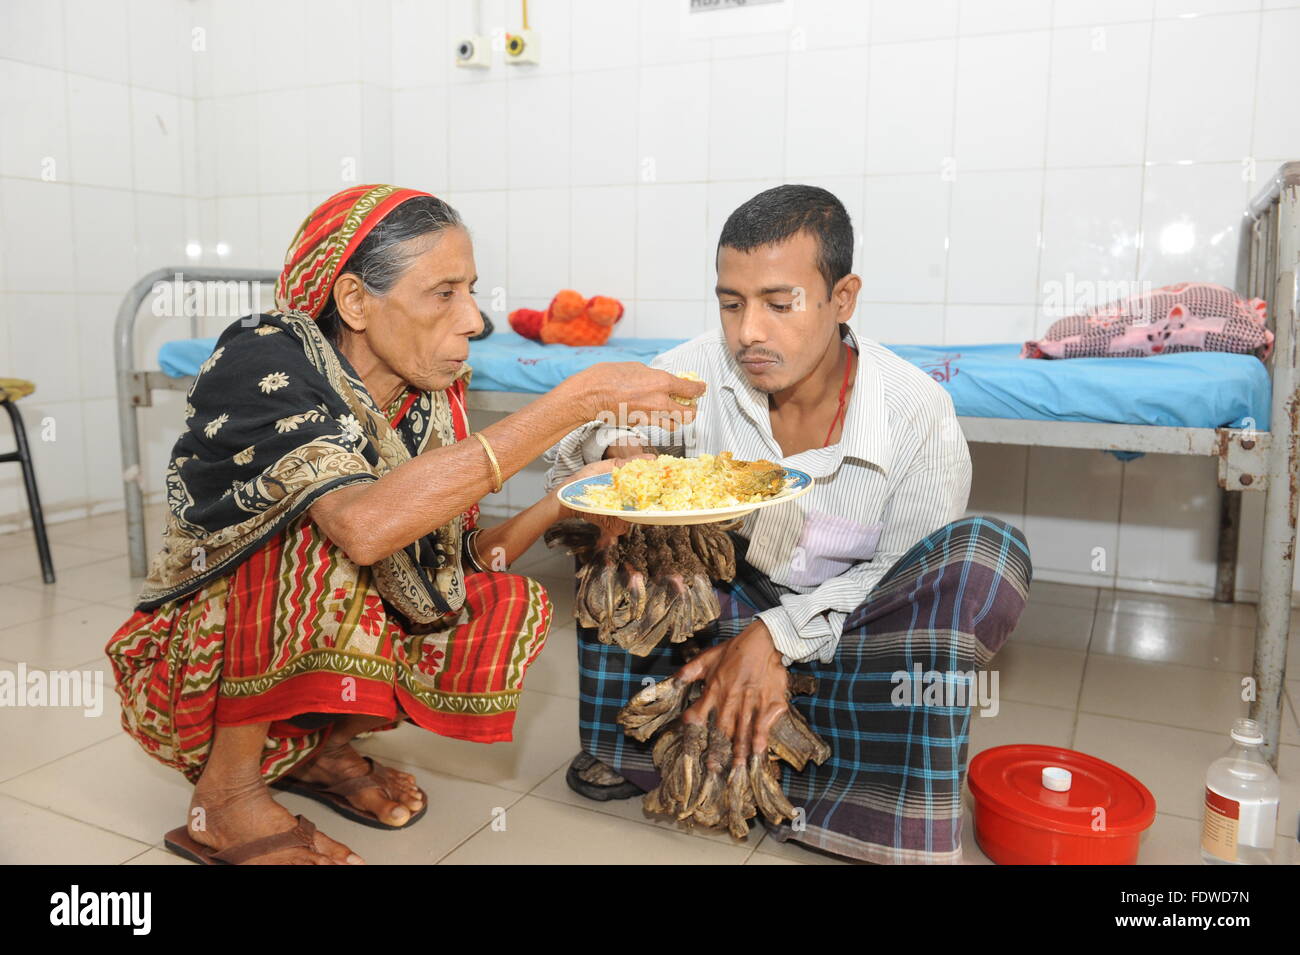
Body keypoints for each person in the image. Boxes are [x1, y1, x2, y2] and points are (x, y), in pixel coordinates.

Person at [106, 184, 702, 865]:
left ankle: (321, 754)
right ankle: (227, 798)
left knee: (496, 596)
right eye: (443, 292)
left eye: (471, 289)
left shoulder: (426, 397)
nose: (474, 319)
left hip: (282, 663)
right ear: (356, 301)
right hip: (191, 674)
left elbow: (452, 560)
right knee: (318, 535)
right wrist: (577, 400)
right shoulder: (267, 357)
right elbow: (363, 528)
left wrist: (565, 500)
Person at [544, 184, 1032, 864]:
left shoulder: (918, 412)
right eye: (731, 303)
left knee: (990, 554)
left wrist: (775, 636)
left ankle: (776, 746)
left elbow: (899, 579)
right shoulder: (694, 372)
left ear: (843, 298)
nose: (748, 332)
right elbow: (579, 448)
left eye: (780, 303)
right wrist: (618, 453)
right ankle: (650, 742)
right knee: (618, 523)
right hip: (718, 614)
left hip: (844, 639)